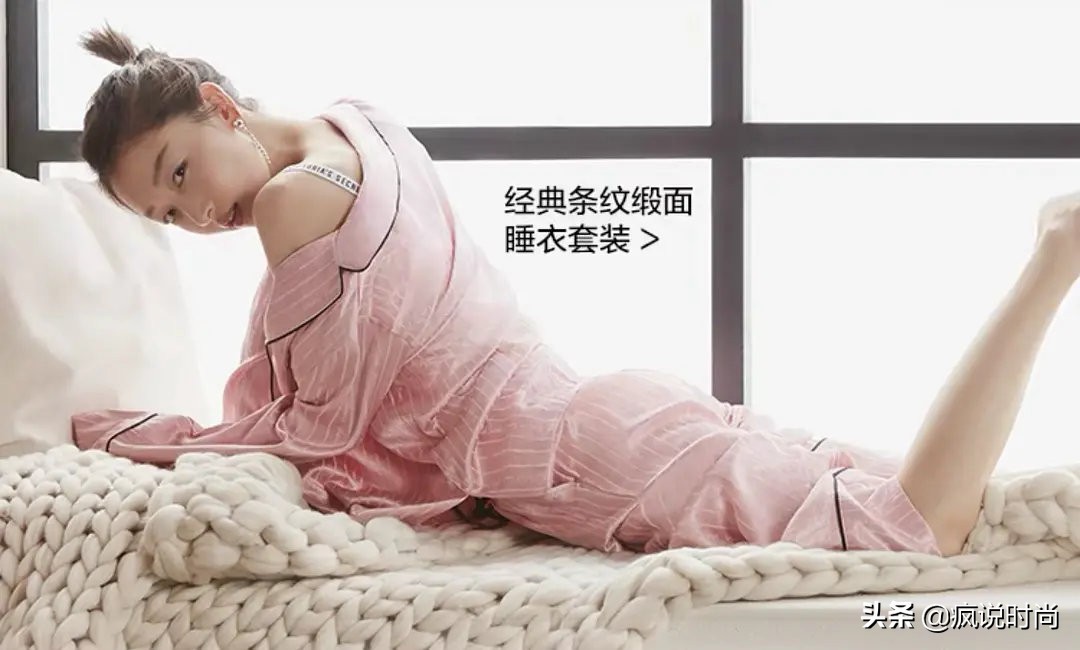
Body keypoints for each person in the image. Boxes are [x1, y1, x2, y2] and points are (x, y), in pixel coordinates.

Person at [68, 25, 1080, 559]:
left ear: (218, 105)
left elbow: (318, 429)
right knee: (911, 493)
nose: (196, 214)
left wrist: (152, 438)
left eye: (179, 173)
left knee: (911, 526)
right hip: (593, 410)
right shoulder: (357, 121)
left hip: (573, 455)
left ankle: (1053, 257)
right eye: (166, 214)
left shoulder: (294, 202)